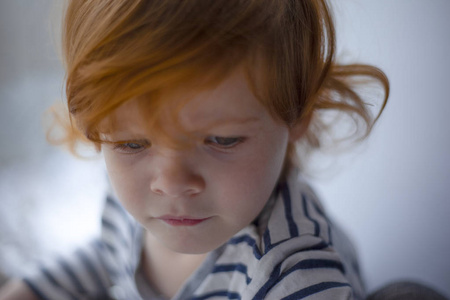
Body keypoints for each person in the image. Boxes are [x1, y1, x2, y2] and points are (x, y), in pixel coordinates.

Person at [0, 0, 391, 299]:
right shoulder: (134, 200)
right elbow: (110, 257)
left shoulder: (292, 275)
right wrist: (31, 289)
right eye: (132, 143)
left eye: (220, 140)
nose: (170, 183)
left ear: (297, 112)